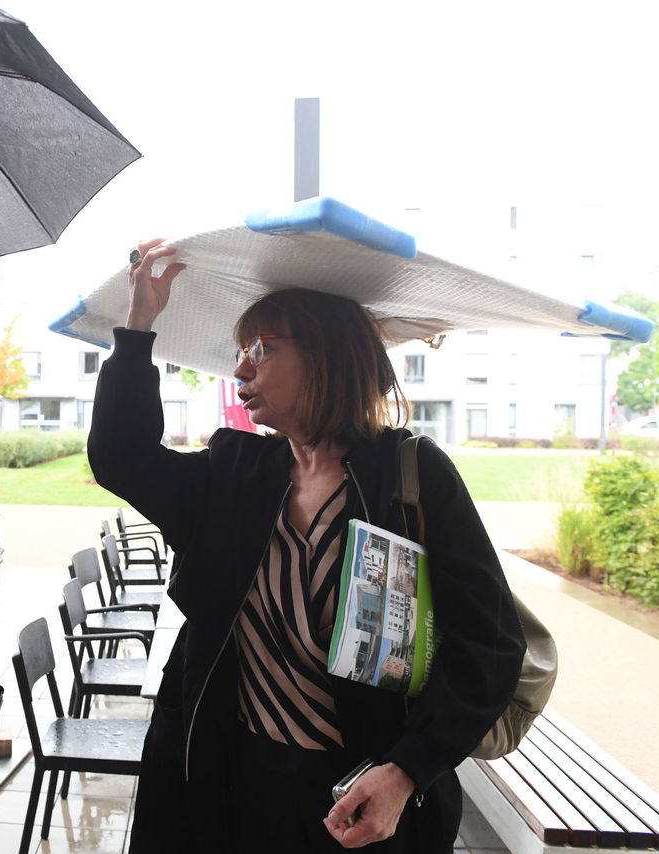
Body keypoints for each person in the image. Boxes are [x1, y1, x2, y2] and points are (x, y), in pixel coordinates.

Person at [89, 238, 526, 853]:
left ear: (326, 355)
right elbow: (122, 460)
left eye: (263, 350)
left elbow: (490, 646)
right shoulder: (235, 471)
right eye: (242, 352)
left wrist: (406, 771)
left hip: (358, 799)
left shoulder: (412, 477)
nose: (241, 369)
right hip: (230, 777)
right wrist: (138, 328)